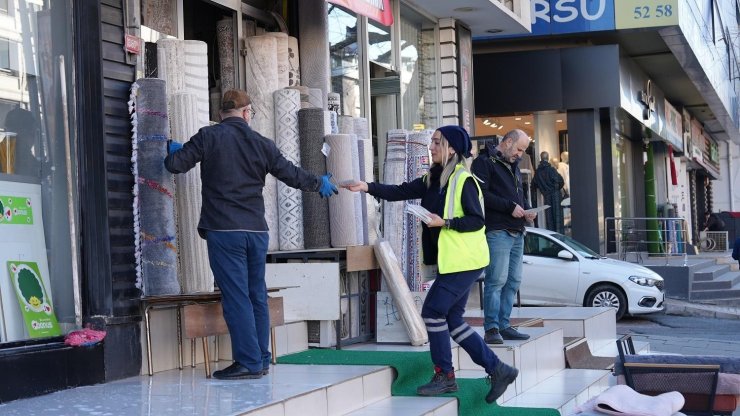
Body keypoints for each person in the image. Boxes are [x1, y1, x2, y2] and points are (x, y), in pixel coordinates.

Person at [164, 89, 338, 380]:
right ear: (246, 113)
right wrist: (317, 182)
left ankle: (248, 362)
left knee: (236, 298)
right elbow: (292, 174)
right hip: (257, 231)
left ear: (222, 113)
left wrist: (175, 149)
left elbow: (175, 165)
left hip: (224, 230)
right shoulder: (263, 144)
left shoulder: (208, 137)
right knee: (256, 295)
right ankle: (261, 358)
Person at [344, 125, 518, 404]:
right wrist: (366, 187)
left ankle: (445, 376)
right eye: (432, 142)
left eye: (437, 142)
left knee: (433, 312)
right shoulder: (433, 178)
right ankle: (498, 369)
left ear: (451, 148)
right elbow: (400, 191)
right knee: (452, 319)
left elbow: (477, 220)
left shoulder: (464, 180)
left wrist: (444, 222)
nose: (432, 146)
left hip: (465, 261)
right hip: (455, 261)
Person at [471, 129, 536, 345]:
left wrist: (527, 211)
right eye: (519, 149)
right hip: (498, 230)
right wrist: (510, 207)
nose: (520, 154)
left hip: (517, 231)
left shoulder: (513, 165)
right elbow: (481, 195)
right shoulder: (484, 162)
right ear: (507, 142)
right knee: (496, 280)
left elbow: (520, 197)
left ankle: (504, 325)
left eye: (523, 150)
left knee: (513, 281)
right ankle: (491, 328)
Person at [533, 151, 564, 233]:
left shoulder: (538, 172)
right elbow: (560, 181)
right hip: (555, 195)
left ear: (541, 158)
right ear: (548, 158)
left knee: (549, 219)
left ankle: (552, 241)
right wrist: (556, 189)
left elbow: (534, 185)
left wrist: (543, 190)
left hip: (546, 196)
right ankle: (560, 240)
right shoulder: (551, 170)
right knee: (558, 220)